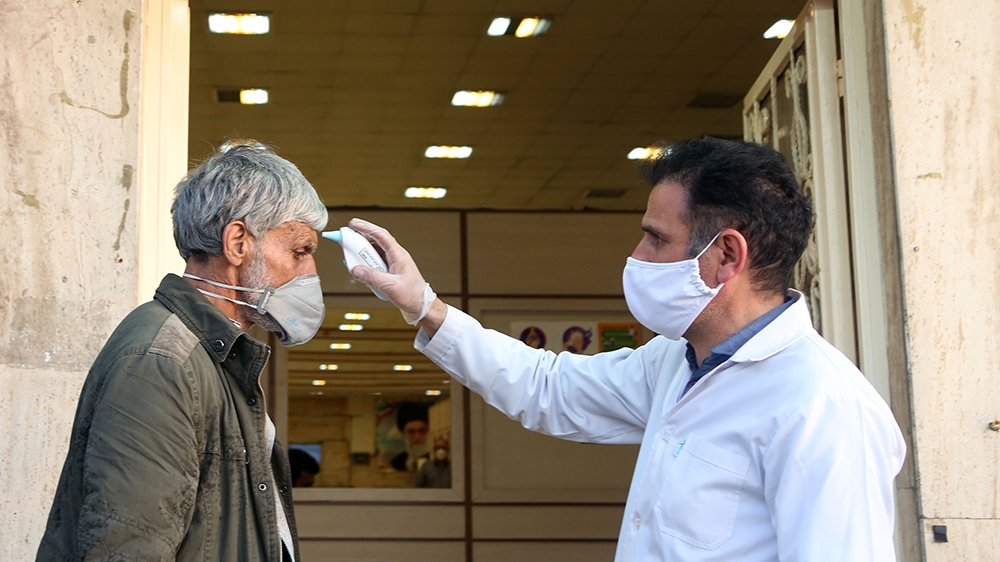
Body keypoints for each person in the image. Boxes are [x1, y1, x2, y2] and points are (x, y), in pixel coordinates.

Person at [347, 137, 906, 561]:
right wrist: (425, 307)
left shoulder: (821, 407)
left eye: (656, 237)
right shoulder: (677, 361)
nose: (638, 254)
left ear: (726, 257)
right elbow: (549, 388)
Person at [36, 140, 328, 562]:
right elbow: (128, 547)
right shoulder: (162, 361)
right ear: (238, 243)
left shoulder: (213, 357)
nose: (310, 271)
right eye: (299, 251)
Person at [390, 402, 430, 471]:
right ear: (403, 433)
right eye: (411, 432)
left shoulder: (435, 461)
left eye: (422, 431)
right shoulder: (396, 462)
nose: (417, 437)